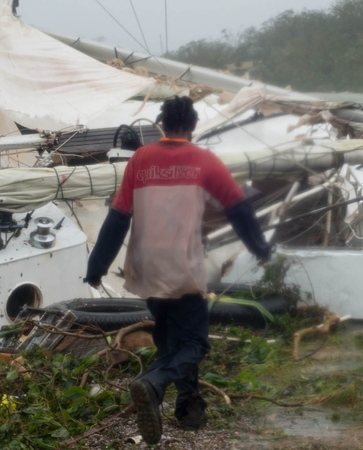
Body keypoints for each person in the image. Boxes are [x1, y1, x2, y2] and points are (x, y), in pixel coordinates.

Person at [84, 96, 272, 445]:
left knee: (171, 338)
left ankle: (188, 408)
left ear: (162, 124)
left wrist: (97, 267)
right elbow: (238, 208)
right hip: (183, 266)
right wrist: (259, 248)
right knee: (195, 344)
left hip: (147, 267)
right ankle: (153, 384)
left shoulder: (140, 159)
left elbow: (118, 216)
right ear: (193, 125)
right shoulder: (204, 161)